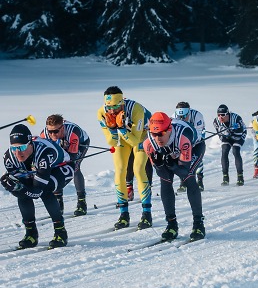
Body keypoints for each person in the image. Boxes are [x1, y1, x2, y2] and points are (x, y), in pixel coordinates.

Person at [1, 124, 74, 249]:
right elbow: (22, 191)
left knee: (45, 190)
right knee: (22, 193)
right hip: (36, 169)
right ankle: (31, 234)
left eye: (22, 147)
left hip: (61, 167)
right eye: (14, 148)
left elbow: (37, 192)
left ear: (30, 144)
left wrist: (20, 188)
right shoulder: (9, 157)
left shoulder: (43, 153)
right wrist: (14, 188)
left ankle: (60, 232)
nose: (18, 152)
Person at [97, 86, 153, 230]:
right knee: (120, 170)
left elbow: (134, 141)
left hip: (142, 135)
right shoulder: (102, 113)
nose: (112, 111)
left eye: (116, 107)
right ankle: (124, 215)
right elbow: (112, 142)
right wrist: (112, 129)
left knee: (138, 169)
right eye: (109, 107)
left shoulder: (136, 109)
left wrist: (121, 128)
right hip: (124, 137)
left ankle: (147, 214)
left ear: (122, 103)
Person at [143, 112, 205, 241]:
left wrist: (174, 166)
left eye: (161, 134)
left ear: (169, 129)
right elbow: (161, 174)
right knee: (165, 180)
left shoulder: (182, 137)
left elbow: (184, 171)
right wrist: (159, 165)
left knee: (188, 178)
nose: (158, 138)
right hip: (171, 150)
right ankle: (171, 224)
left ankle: (198, 224)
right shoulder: (149, 143)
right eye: (154, 134)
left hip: (194, 148)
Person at [40, 114, 90, 216]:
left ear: (62, 128)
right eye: (50, 131)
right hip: (62, 144)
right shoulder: (44, 135)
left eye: (56, 131)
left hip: (81, 143)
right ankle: (58, 201)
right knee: (53, 168)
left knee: (74, 168)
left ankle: (81, 202)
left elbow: (71, 157)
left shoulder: (73, 133)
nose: (53, 134)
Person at [172, 101, 206, 192]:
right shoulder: (174, 117)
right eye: (179, 117)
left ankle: (199, 180)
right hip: (183, 140)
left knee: (196, 160)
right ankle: (183, 182)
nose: (182, 119)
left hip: (197, 140)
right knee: (182, 161)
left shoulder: (197, 116)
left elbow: (199, 134)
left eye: (184, 116)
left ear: (189, 112)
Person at [213, 104, 247, 186]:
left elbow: (239, 135)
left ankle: (240, 177)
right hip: (227, 136)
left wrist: (230, 132)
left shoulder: (236, 118)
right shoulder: (216, 121)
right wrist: (224, 134)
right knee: (224, 150)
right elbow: (220, 135)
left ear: (228, 114)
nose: (221, 117)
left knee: (235, 151)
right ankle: (225, 177)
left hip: (239, 135)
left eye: (223, 115)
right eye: (219, 115)